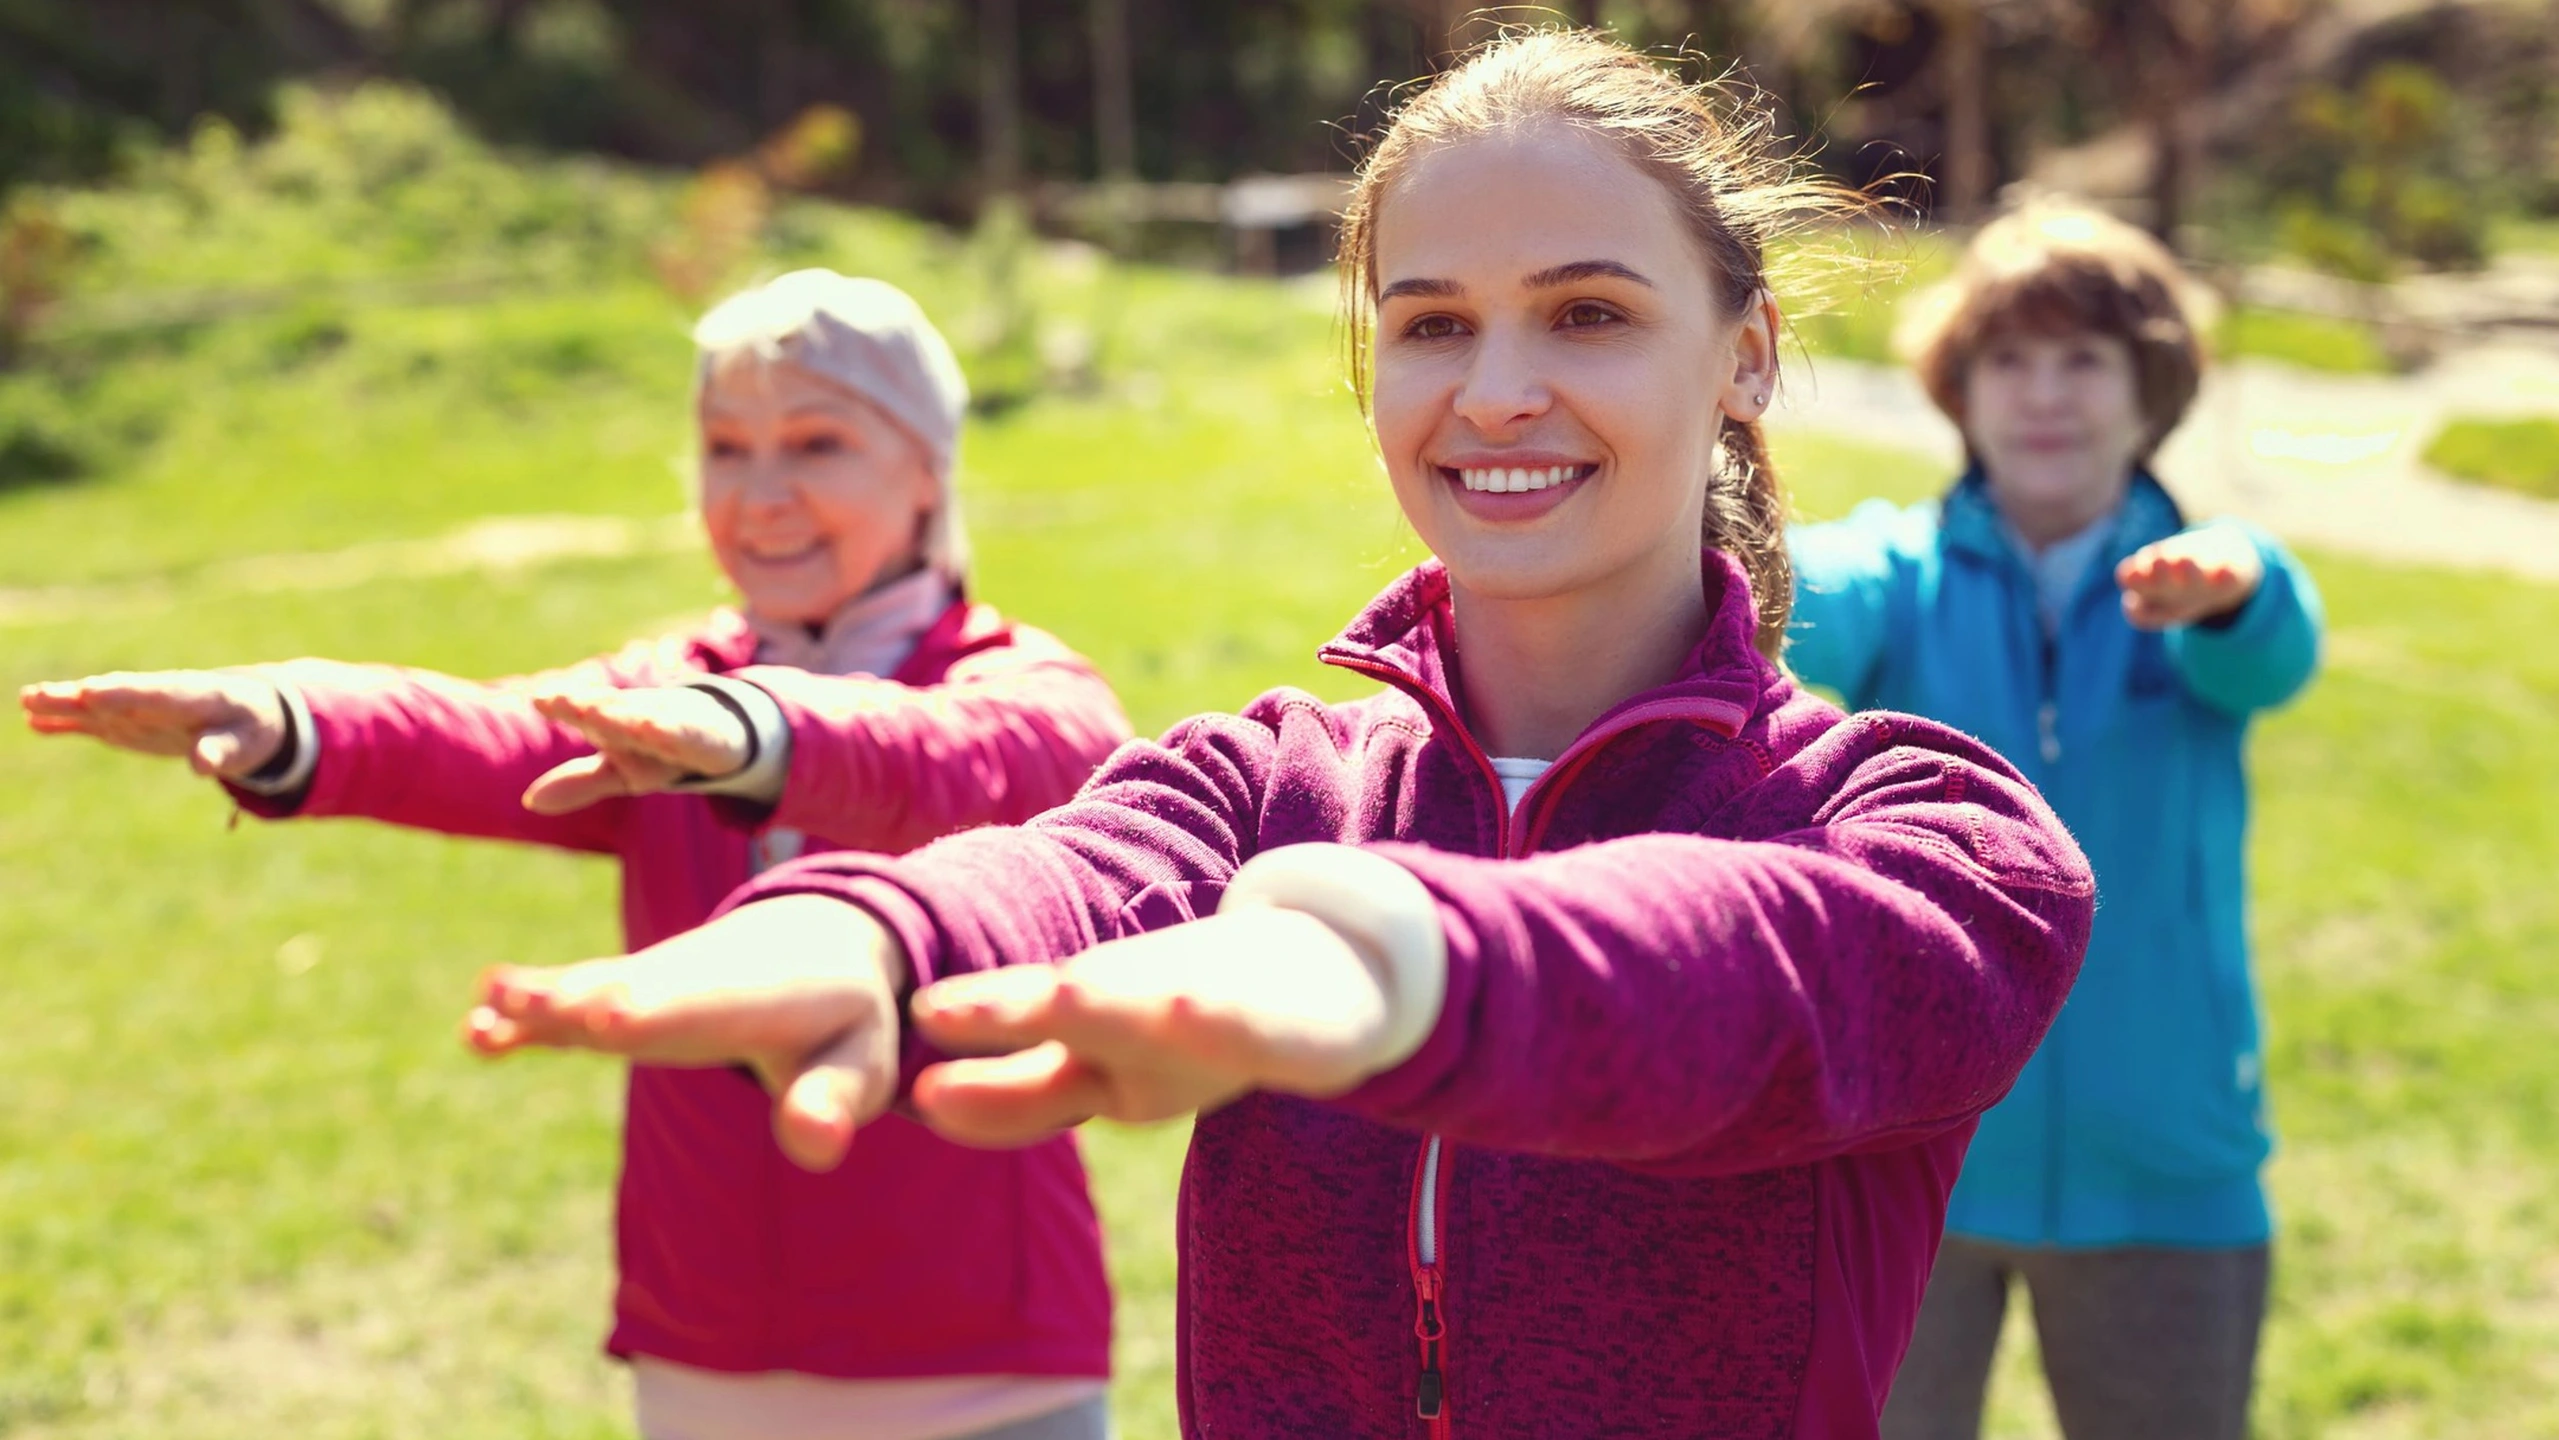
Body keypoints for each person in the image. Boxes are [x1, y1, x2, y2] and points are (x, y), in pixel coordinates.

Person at [463, 33, 2094, 1439]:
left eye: (1584, 314)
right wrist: (863, 930)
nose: (1496, 391)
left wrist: (1381, 967)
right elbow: (1069, 874)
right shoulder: (1266, 787)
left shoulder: (1920, 831)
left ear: (1742, 354)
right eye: (1433, 323)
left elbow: (1747, 975)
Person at [21, 271, 1131, 1440]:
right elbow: (483, 736)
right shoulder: (662, 694)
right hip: (707, 1341)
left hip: (983, 1355)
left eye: (817, 442)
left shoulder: (1022, 686)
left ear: (928, 470)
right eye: (723, 448)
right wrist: (292, 715)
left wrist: (753, 731)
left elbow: (970, 757)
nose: (761, 496)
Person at [1787, 203, 2324, 1440]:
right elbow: (1791, 590)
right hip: (1905, 1155)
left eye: (2085, 360)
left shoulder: (2199, 581)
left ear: (2154, 392)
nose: (2045, 395)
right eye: (2009, 360)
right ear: (1958, 389)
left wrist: (2229, 590)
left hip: (2165, 1167)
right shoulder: (1902, 577)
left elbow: (2272, 647)